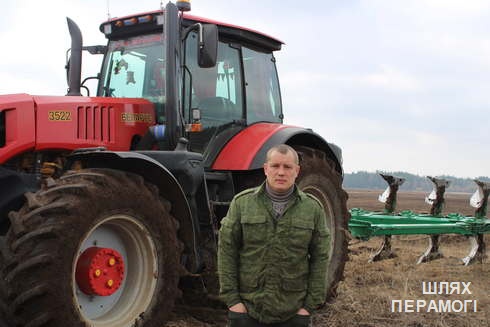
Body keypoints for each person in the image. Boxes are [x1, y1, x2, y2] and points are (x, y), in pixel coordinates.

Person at [218, 144, 330, 327]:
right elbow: (227, 252)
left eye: (287, 167)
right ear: (265, 169)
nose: (281, 172)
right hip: (247, 310)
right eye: (275, 166)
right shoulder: (242, 203)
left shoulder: (313, 209)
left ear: (297, 171)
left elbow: (321, 258)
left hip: (293, 313)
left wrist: (309, 306)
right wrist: (233, 301)